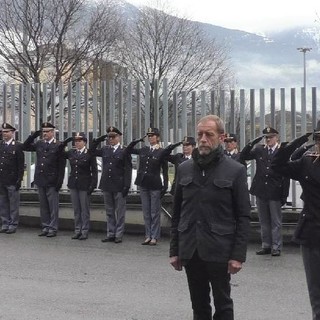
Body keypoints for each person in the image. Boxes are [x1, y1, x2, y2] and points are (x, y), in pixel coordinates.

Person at [169, 115, 251, 320]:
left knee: (223, 306)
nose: (203, 139)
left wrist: (238, 255)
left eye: (209, 134)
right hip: (191, 248)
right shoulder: (184, 168)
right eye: (200, 135)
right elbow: (177, 212)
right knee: (199, 305)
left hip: (220, 250)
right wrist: (175, 250)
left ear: (221, 138)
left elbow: (243, 216)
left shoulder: (235, 170)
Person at [271, 122, 320, 319]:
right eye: (318, 139)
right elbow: (277, 165)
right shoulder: (308, 162)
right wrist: (298, 142)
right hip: (312, 235)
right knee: (316, 293)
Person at [240, 126, 290, 256]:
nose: (268, 140)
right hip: (261, 190)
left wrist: (284, 195)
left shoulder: (282, 151)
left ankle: (276, 247)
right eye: (266, 137)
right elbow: (244, 155)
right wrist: (252, 143)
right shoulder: (259, 150)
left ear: (276, 138)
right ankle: (266, 245)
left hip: (275, 191)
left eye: (271, 137)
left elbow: (286, 176)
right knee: (264, 220)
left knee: (275, 221)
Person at [23, 122, 66, 237]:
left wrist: (59, 181)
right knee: (43, 205)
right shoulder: (39, 143)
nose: (45, 134)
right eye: (43, 132)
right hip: (40, 179)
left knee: (53, 206)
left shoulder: (59, 145)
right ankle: (46, 226)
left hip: (52, 180)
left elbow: (62, 165)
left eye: (47, 132)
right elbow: (25, 147)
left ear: (53, 132)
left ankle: (53, 228)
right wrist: (33, 136)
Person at [126, 127, 168, 246]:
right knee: (146, 211)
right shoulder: (144, 150)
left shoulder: (161, 151)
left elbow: (165, 170)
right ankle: (148, 235)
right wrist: (136, 141)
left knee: (154, 212)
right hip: (143, 183)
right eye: (149, 136)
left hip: (154, 184)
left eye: (153, 136)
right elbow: (128, 150)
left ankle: (154, 236)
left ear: (158, 137)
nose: (150, 138)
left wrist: (165, 186)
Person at [90, 126, 132, 244]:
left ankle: (118, 234)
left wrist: (126, 186)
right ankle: (110, 233)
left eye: (113, 137)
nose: (111, 139)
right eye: (109, 137)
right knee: (109, 211)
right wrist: (99, 139)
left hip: (119, 185)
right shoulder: (105, 149)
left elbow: (128, 169)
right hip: (107, 184)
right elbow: (91, 151)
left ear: (118, 137)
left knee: (120, 212)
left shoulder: (124, 150)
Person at [61, 132, 97, 240]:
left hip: (84, 184)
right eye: (75, 141)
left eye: (79, 141)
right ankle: (77, 230)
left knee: (84, 209)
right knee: (76, 209)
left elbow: (94, 171)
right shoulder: (72, 153)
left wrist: (93, 185)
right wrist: (65, 143)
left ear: (84, 142)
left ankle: (84, 230)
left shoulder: (89, 153)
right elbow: (59, 152)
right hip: (74, 184)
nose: (77, 143)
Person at [0, 123, 25, 234]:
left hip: (12, 179)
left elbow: (20, 165)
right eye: (3, 132)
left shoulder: (18, 146)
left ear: (12, 133)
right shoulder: (1, 145)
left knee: (13, 203)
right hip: (2, 179)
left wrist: (19, 179)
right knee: (3, 203)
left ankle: (13, 224)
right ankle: (5, 223)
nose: (4, 134)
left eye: (7, 132)